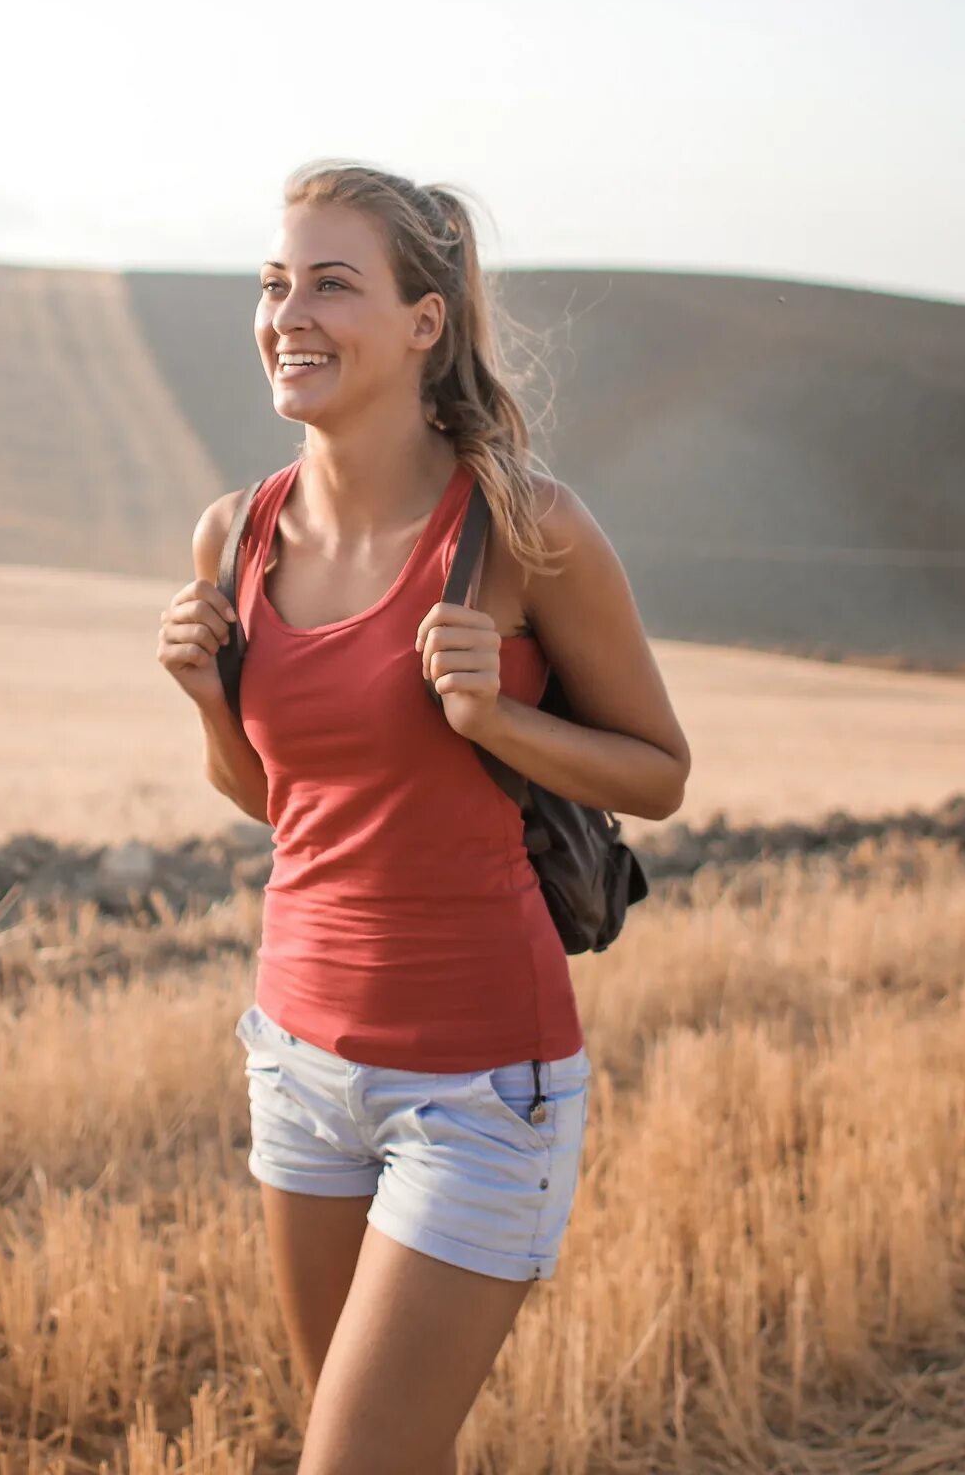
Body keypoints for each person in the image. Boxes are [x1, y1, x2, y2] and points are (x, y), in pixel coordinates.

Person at [156, 160, 691, 1470]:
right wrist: (205, 699)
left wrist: (499, 721)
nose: (290, 311)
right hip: (295, 1066)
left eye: (332, 283)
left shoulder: (523, 528)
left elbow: (659, 772)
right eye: (276, 283)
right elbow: (282, 810)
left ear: (423, 322)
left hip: (477, 1085)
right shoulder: (235, 535)